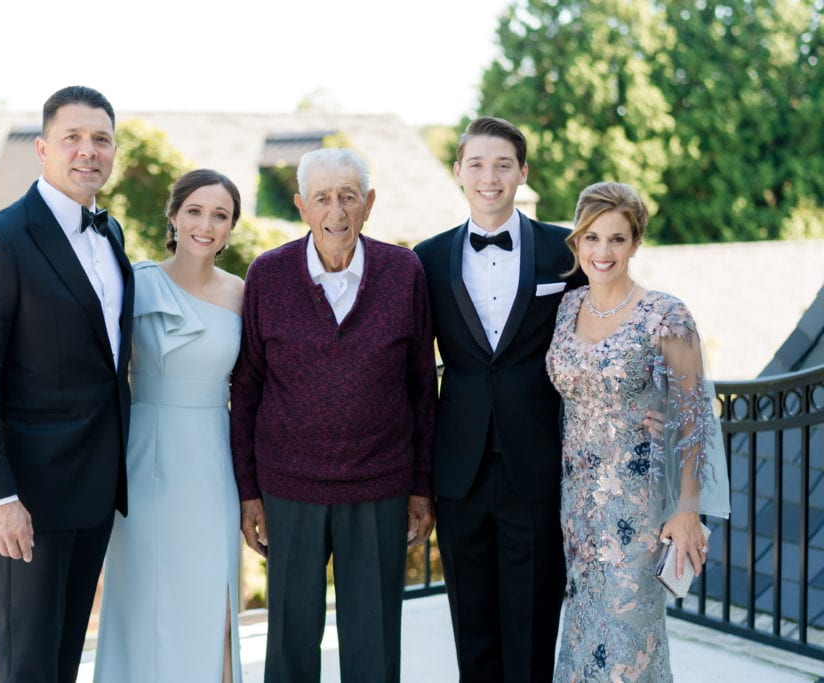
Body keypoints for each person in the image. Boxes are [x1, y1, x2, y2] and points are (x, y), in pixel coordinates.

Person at [230, 147, 437, 682]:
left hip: (379, 485)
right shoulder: (268, 275)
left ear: (368, 203)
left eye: (348, 196)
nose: (336, 211)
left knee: (373, 646)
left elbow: (421, 387)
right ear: (302, 207)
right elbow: (247, 388)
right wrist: (248, 491)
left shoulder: (403, 271)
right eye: (322, 198)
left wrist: (421, 488)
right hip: (288, 487)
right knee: (290, 645)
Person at [0, 86, 133, 682]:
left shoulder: (112, 236)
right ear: (42, 148)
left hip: (96, 487)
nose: (88, 151)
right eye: (73, 138)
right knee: (28, 666)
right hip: (28, 496)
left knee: (63, 661)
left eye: (100, 139)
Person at [414, 115, 586, 682]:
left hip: (538, 461)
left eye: (503, 165)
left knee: (533, 622)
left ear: (522, 172)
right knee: (473, 622)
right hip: (458, 465)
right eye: (478, 164)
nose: (490, 177)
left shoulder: (566, 251)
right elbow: (414, 368)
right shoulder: (427, 258)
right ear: (459, 171)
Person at [546, 181, 730, 679]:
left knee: (628, 641)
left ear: (635, 242)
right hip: (576, 507)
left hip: (638, 509)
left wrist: (687, 511)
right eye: (591, 238)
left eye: (617, 239)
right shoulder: (567, 309)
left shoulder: (666, 314)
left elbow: (694, 417)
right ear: (577, 242)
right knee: (584, 635)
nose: (602, 251)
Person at [94, 169, 245, 682]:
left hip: (213, 458)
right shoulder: (136, 283)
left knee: (216, 601)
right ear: (174, 216)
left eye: (220, 215)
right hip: (146, 457)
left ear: (230, 229)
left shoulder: (245, 295)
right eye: (196, 211)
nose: (206, 224)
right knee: (145, 603)